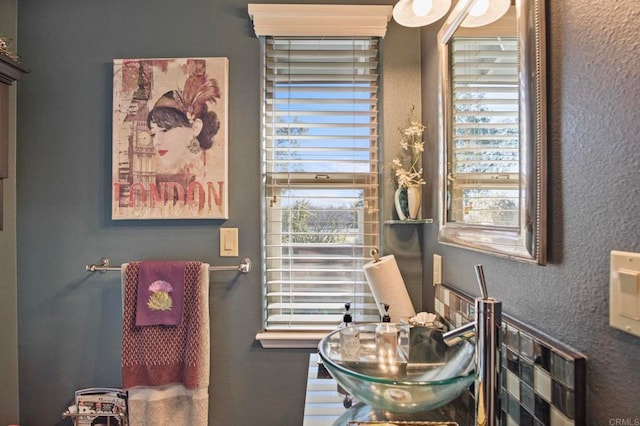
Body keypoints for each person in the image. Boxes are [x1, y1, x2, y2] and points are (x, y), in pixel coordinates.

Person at [146, 60, 222, 197]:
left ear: (195, 127)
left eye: (164, 130)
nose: (156, 141)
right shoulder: (161, 180)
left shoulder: (208, 175)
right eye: (153, 133)